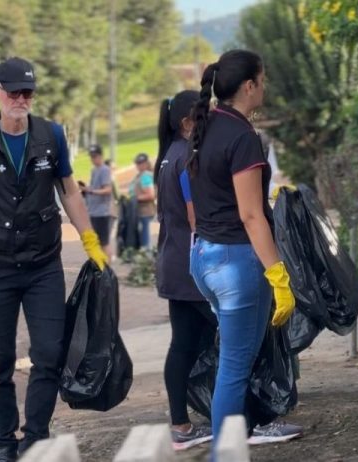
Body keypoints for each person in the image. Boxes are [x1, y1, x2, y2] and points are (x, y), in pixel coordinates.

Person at [0, 57, 107, 462]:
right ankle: (5, 444)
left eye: (27, 91)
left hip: (43, 265)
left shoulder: (52, 136)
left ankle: (35, 437)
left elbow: (69, 191)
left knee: (49, 353)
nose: (21, 98)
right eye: (13, 91)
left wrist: (90, 241)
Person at [186, 49, 302, 452]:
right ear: (249, 86)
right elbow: (252, 215)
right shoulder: (242, 138)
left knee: (233, 365)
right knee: (234, 371)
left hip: (204, 257)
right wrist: (279, 275)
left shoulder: (206, 127)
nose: (264, 88)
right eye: (263, 80)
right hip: (236, 263)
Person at [155, 90, 217, 450]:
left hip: (175, 265)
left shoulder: (168, 156)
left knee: (183, 344)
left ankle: (180, 424)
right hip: (194, 268)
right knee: (237, 338)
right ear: (186, 123)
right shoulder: (189, 158)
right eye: (203, 115)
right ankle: (250, 418)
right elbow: (197, 218)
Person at [80, 144, 113, 261]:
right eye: (92, 156)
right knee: (97, 242)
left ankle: (108, 269)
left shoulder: (104, 170)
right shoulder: (94, 170)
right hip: (93, 211)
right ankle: (101, 267)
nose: (93, 159)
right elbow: (94, 187)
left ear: (100, 156)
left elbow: (108, 189)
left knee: (104, 242)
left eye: (95, 156)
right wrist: (86, 189)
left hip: (102, 212)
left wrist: (91, 190)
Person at [129, 153, 155, 249]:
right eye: (138, 163)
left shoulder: (145, 176)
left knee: (144, 237)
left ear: (146, 163)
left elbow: (150, 195)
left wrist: (135, 198)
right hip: (139, 211)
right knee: (142, 236)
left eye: (141, 163)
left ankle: (146, 255)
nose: (139, 165)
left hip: (145, 211)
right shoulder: (139, 176)